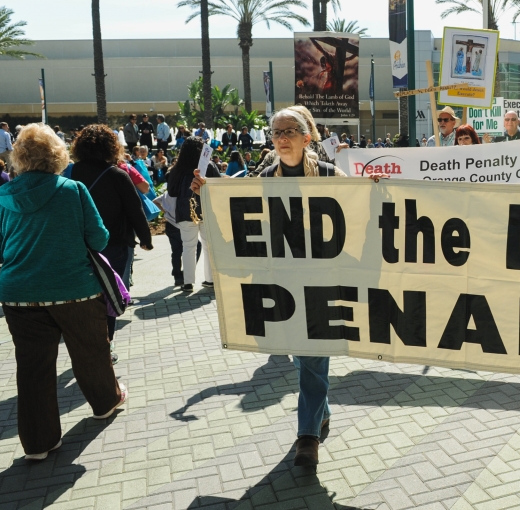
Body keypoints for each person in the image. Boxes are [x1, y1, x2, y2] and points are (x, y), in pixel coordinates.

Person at [191, 107, 351, 471]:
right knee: (302, 354)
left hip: (322, 283)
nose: (280, 137)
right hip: (282, 284)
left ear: (306, 137)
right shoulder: (264, 176)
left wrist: (373, 188)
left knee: (312, 356)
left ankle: (307, 436)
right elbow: (240, 213)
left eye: (289, 131)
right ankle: (320, 412)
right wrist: (209, 192)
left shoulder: (329, 175)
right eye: (275, 131)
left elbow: (360, 211)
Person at [0, 124, 128, 461]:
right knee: (91, 351)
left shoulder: (3, 198)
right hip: (74, 289)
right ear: (58, 154)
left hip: (19, 295)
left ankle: (38, 443)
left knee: (33, 368)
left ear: (18, 157)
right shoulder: (72, 189)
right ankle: (106, 403)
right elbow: (99, 239)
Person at [69, 124, 154, 363]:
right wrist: (146, 240)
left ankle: (88, 343)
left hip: (80, 246)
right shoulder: (117, 174)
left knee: (86, 296)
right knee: (110, 295)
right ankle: (106, 343)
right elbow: (135, 210)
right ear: (111, 147)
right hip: (114, 244)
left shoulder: (69, 173)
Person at [167, 137, 220, 290]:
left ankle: (188, 282)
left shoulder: (178, 168)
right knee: (209, 245)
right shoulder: (209, 165)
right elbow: (218, 185)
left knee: (188, 246)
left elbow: (172, 192)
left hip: (185, 211)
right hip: (207, 210)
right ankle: (210, 280)